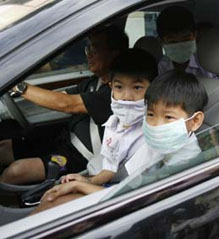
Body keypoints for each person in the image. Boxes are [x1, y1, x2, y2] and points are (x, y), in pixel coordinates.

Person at [31, 70, 208, 214]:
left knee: (53, 203)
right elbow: (127, 180)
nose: (156, 125)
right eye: (151, 115)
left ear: (195, 121)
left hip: (142, 212)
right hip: (125, 195)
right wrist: (88, 181)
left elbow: (134, 200)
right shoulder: (159, 143)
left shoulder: (185, 161)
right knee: (52, 199)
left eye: (168, 117)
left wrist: (81, 185)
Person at [0, 25, 129, 184]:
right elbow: (59, 98)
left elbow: (67, 104)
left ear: (114, 54)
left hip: (80, 158)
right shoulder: (93, 83)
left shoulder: (117, 93)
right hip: (65, 140)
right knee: (4, 148)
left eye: (95, 48)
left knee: (16, 171)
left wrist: (17, 86)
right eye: (88, 48)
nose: (88, 54)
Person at [61, 48, 158, 186]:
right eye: (119, 87)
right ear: (111, 87)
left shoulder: (156, 128)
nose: (126, 97)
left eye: (137, 88)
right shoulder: (113, 124)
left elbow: (135, 185)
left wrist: (84, 184)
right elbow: (110, 170)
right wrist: (87, 181)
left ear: (154, 88)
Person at [156, 6, 219, 79]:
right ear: (161, 42)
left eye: (186, 40)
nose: (180, 46)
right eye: (173, 42)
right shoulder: (163, 66)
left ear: (195, 35)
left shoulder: (209, 65)